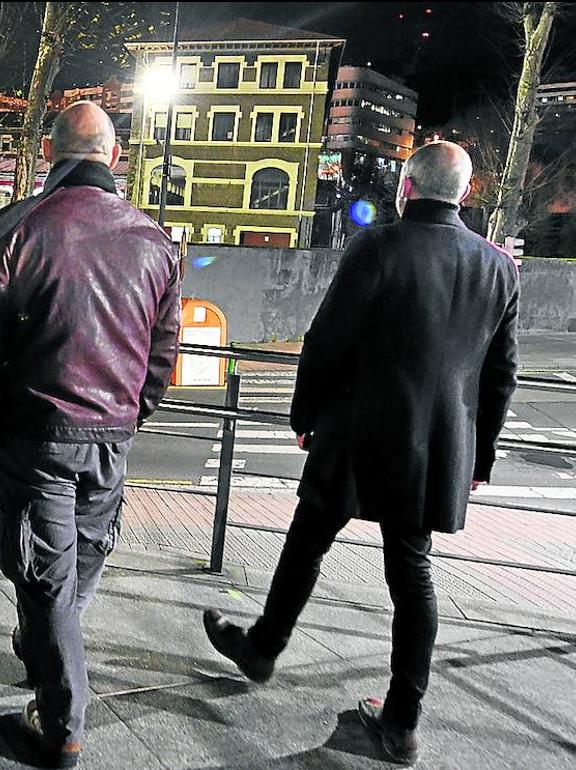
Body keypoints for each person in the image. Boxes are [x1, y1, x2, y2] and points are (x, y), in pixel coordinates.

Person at [202, 141, 518, 765]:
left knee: (308, 538)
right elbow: (501, 374)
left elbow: (327, 337)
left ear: (406, 187)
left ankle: (264, 647)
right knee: (412, 573)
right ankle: (401, 721)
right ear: (465, 191)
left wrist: (305, 414)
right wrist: (478, 458)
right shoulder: (498, 266)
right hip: (437, 447)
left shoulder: (379, 247)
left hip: (358, 430)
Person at [0, 101, 182, 768]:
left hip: (37, 430)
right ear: (115, 158)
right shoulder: (154, 239)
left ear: (52, 157)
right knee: (80, 559)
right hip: (110, 431)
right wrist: (134, 411)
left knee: (43, 572)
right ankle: (44, 646)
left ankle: (62, 725)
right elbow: (163, 350)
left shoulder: (15, 227)